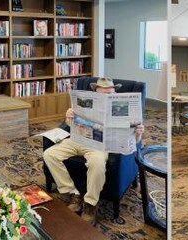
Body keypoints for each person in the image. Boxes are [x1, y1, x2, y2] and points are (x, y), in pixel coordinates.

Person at [43, 77, 144, 226]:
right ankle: (72, 193)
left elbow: (133, 142)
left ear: (115, 92)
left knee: (96, 163)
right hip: (77, 140)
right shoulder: (85, 103)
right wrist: (69, 118)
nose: (106, 97)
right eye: (101, 95)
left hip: (100, 147)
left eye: (109, 94)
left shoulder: (123, 108)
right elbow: (70, 126)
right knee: (49, 154)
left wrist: (139, 133)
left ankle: (90, 204)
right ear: (95, 94)